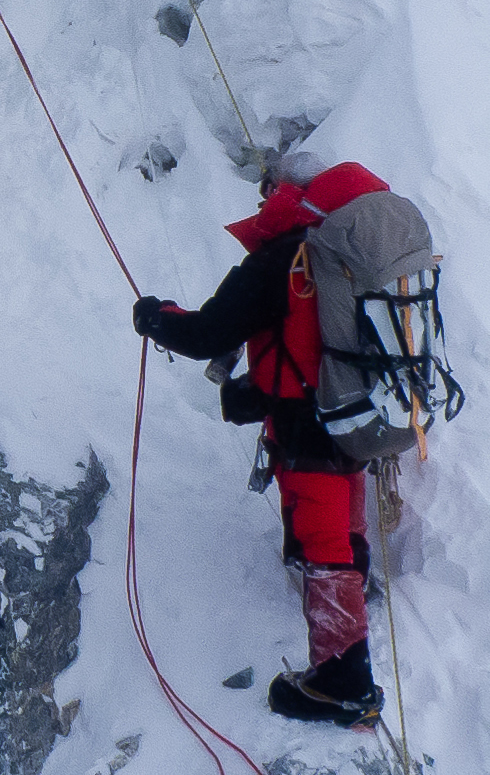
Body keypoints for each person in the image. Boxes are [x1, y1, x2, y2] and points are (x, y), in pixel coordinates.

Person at [131, 153, 388, 728]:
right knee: (342, 515)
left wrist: (156, 318)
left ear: (288, 192)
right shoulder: (350, 252)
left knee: (324, 539)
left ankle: (343, 684)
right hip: (356, 411)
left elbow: (207, 334)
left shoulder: (284, 258)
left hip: (306, 424)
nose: (260, 200)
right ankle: (354, 590)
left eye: (266, 189)